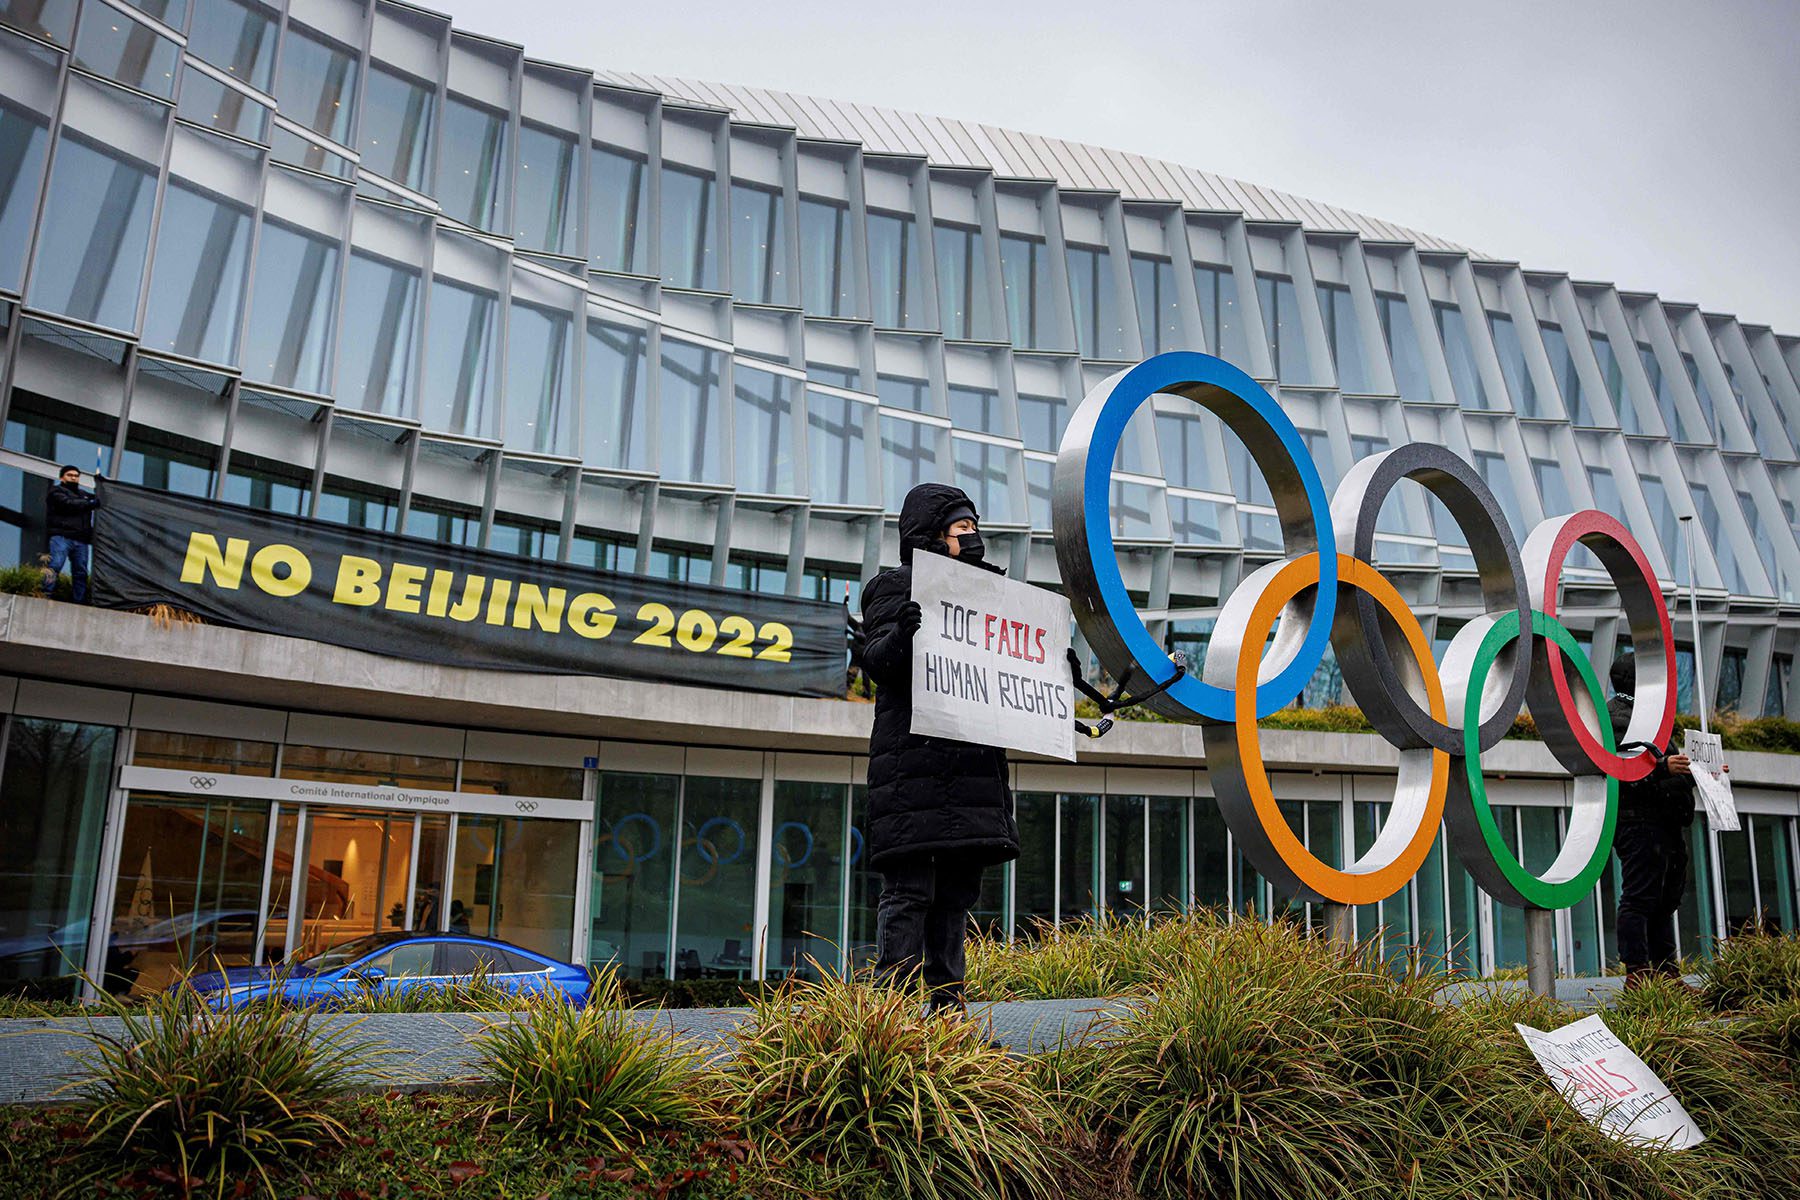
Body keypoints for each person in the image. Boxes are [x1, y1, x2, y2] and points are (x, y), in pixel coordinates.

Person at [859, 483, 1020, 1016]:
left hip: (970, 775)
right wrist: (904, 634)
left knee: (953, 902)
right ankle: (892, 1022)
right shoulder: (893, 589)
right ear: (929, 538)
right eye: (963, 529)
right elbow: (878, 664)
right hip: (915, 773)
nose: (975, 540)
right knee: (910, 894)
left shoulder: (992, 600)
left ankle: (948, 1022)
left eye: (975, 528)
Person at [1608, 652, 1700, 988]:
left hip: (1663, 820)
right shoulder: (1618, 717)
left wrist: (1705, 773)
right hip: (1639, 822)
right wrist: (1664, 769)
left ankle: (1665, 969)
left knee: (1663, 898)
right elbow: (1619, 771)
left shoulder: (1647, 717)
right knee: (1641, 896)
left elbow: (1666, 768)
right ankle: (1638, 971)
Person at [42, 464, 98, 604]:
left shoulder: (84, 495)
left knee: (81, 572)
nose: (73, 477)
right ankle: (44, 594)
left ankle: (79, 600)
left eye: (76, 475)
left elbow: (101, 500)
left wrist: (102, 487)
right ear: (62, 477)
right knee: (55, 565)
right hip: (62, 536)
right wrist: (90, 502)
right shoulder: (56, 491)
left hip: (81, 540)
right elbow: (68, 504)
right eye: (70, 475)